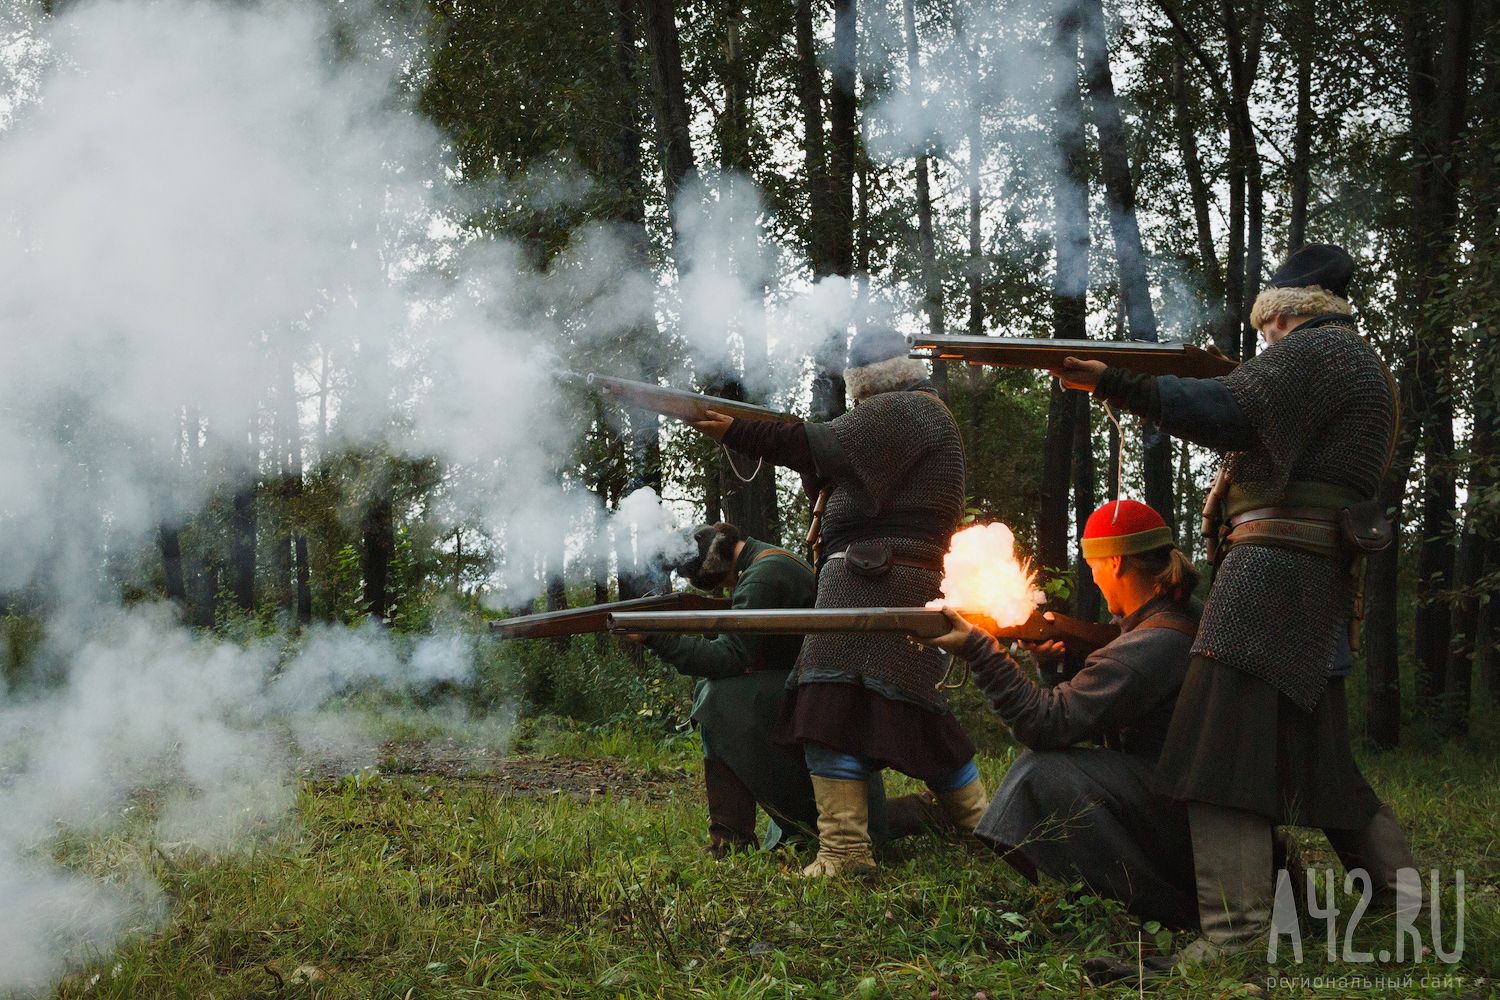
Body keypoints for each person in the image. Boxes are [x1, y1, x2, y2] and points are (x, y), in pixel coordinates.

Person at [1056, 243, 1419, 960]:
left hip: (1272, 579)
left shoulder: (1317, 353)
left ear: (1284, 313)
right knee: (1326, 770)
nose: (1262, 344)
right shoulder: (1355, 364)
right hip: (1306, 579)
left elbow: (1228, 409)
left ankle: (1237, 934)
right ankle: (1407, 908)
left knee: (1213, 752)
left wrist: (1115, 383)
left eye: (1265, 330)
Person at [687, 327, 985, 876]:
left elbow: (813, 444)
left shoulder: (906, 411)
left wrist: (737, 430)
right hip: (876, 577)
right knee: (902, 708)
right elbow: (826, 465)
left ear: (867, 379)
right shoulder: (910, 416)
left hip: (877, 578)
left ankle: (848, 853)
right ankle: (984, 832)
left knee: (826, 706)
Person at [926, 499, 1201, 930]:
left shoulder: (1150, 644)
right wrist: (1053, 667)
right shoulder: (1169, 623)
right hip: (1183, 803)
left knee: (1042, 774)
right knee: (1049, 767)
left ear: (1112, 562)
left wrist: (982, 651)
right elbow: (1085, 721)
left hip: (1187, 822)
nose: (1092, 575)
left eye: (1092, 564)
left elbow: (1046, 726)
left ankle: (1166, 906)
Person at [626, 522, 825, 855]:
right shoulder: (765, 561)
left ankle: (729, 840)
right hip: (804, 683)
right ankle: (729, 837)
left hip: (809, 689)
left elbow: (730, 657)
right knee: (716, 691)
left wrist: (656, 637)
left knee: (717, 696)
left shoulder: (761, 574)